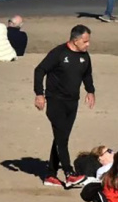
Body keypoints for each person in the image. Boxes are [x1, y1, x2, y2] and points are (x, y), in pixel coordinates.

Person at [34, 25, 96, 187]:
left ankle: (50, 175)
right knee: (62, 138)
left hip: (72, 102)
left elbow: (87, 74)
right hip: (55, 101)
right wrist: (39, 94)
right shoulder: (59, 53)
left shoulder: (84, 56)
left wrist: (90, 91)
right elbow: (39, 70)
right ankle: (69, 174)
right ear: (75, 41)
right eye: (85, 41)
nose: (88, 44)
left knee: (61, 138)